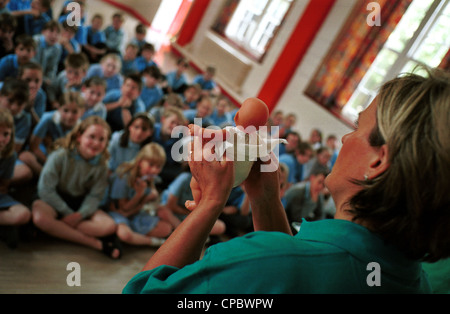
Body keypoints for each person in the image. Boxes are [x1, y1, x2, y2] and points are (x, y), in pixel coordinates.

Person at [123, 67, 450, 293]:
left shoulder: (260, 264)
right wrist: (265, 198)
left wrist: (209, 203)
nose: (346, 139)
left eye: (357, 128)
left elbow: (141, 291)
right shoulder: (412, 281)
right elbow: (297, 271)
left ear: (379, 159)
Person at [31, 116, 121, 259]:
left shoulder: (102, 165)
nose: (96, 143)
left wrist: (79, 215)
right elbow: (45, 190)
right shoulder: (60, 155)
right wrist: (67, 213)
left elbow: (95, 196)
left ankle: (56, 230)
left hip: (79, 203)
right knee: (40, 218)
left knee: (109, 225)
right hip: (53, 200)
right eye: (91, 137)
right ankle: (96, 244)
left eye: (101, 139)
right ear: (79, 137)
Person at [108, 143, 177, 247]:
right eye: (151, 165)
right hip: (119, 212)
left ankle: (136, 237)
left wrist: (145, 199)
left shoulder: (148, 177)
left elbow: (147, 201)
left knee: (166, 228)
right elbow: (124, 209)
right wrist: (140, 195)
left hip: (134, 212)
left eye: (158, 167)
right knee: (125, 234)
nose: (154, 170)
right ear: (140, 162)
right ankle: (152, 241)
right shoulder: (124, 176)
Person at [19, 90, 85, 177]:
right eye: (65, 111)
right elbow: (34, 147)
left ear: (82, 112)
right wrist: (50, 163)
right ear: (59, 108)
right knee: (25, 157)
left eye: (74, 112)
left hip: (62, 160)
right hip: (43, 156)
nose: (69, 116)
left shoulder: (81, 127)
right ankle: (47, 177)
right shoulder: (48, 119)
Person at [0, 107, 31, 249]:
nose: (2, 139)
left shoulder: (10, 155)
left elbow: (4, 186)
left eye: (6, 134)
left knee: (23, 214)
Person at [283, 168, 329, 234]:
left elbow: (321, 215)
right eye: (319, 182)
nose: (320, 186)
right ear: (312, 178)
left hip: (302, 225)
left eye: (323, 185)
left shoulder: (318, 194)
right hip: (289, 226)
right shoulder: (297, 192)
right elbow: (298, 218)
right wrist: (312, 202)